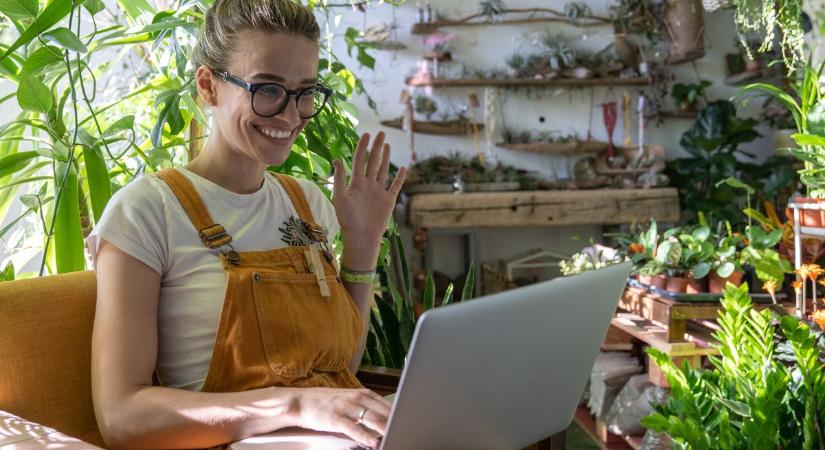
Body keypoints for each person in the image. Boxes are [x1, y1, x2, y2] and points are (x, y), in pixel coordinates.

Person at [86, 1, 406, 448]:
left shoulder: (308, 204)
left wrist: (363, 244)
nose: (291, 114)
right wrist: (293, 406)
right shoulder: (146, 211)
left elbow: (340, 370)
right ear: (208, 86)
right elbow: (122, 417)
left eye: (305, 92)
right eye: (267, 89)